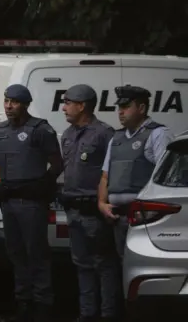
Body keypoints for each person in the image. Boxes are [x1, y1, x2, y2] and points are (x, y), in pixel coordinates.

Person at [0, 84, 63, 322]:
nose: (8, 106)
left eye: (14, 102)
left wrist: (43, 184)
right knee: (16, 254)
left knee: (37, 254)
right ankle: (23, 304)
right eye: (6, 101)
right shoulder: (1, 130)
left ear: (25, 104)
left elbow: (56, 163)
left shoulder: (40, 130)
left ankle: (43, 306)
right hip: (10, 203)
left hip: (31, 202)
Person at [60, 84, 121, 322]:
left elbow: (111, 173)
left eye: (68, 102)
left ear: (82, 105)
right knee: (81, 264)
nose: (64, 108)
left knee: (104, 264)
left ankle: (108, 314)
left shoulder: (104, 133)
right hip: (73, 209)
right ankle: (87, 314)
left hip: (94, 211)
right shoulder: (67, 134)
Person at [98, 85, 174, 260]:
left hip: (144, 217)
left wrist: (150, 210)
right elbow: (105, 176)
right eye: (119, 108)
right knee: (122, 264)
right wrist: (102, 204)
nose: (120, 112)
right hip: (118, 216)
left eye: (126, 107)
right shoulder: (117, 138)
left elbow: (167, 176)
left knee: (143, 264)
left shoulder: (157, 134)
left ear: (141, 108)